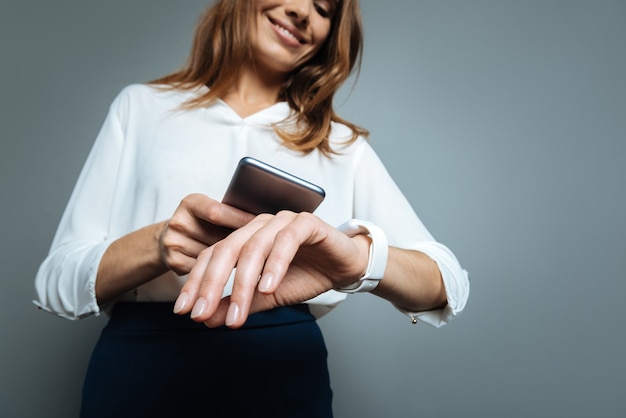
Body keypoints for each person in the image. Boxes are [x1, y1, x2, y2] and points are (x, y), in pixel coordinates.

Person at [34, 0, 470, 416]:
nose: (302, 12)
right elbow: (55, 283)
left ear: (329, 36)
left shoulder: (339, 144)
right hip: (141, 364)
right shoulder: (141, 107)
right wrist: (158, 243)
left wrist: (358, 259)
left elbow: (448, 284)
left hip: (284, 370)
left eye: (323, 9)